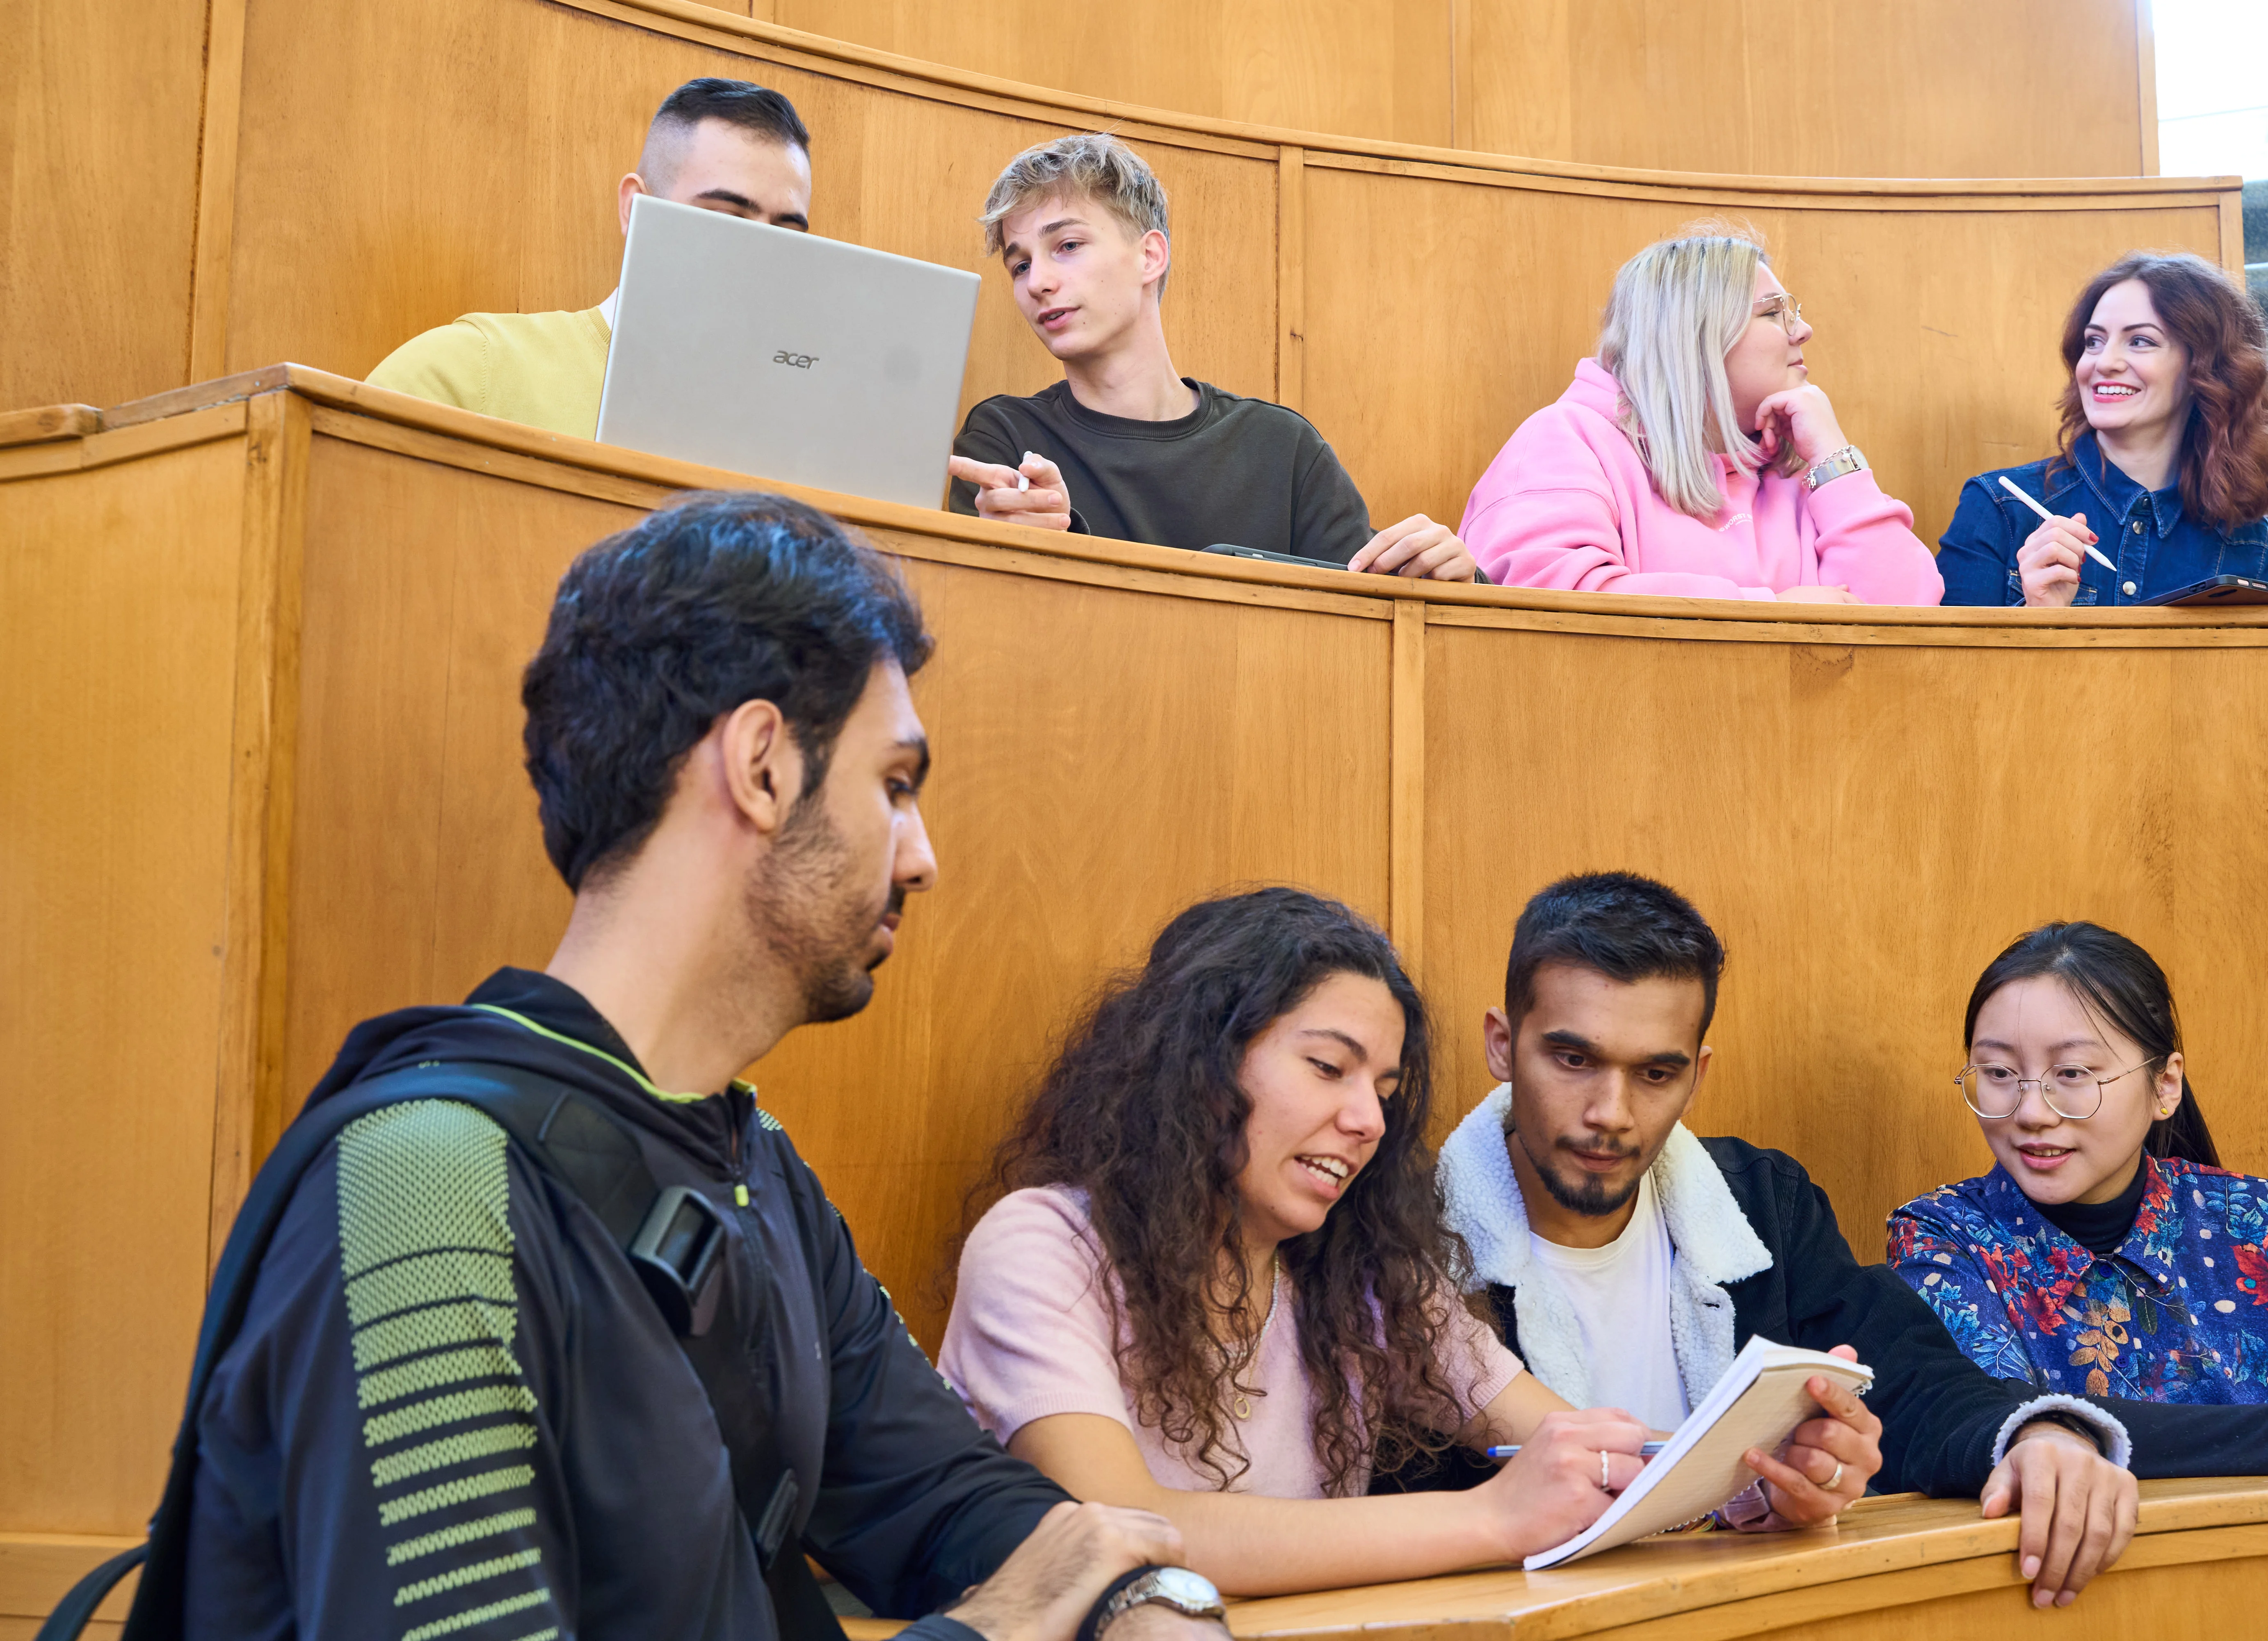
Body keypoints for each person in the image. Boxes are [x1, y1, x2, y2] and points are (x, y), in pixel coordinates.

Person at [171, 491, 1229, 1641]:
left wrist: (1145, 1596)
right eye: (895, 785)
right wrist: (993, 1633)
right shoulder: (424, 1191)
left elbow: (948, 1502)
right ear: (764, 766)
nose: (921, 859)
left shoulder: (748, 1159)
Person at [937, 888, 1683, 1595]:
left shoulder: (1366, 1278)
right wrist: (1494, 1516)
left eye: (1385, 1093)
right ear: (1199, 1061)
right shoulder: (1044, 1245)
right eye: (1329, 1069)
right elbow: (1119, 1528)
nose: (1369, 1121)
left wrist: (1740, 1476)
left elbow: (1572, 1442)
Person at [1437, 873, 2130, 1610]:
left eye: (1655, 1073)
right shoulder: (1406, 1252)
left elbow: (1918, 1382)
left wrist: (2043, 1435)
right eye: (1574, 1060)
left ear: (1697, 1077)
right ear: (1503, 1047)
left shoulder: (1763, 1204)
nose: (1611, 1112)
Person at [1890, 922, 2268, 1451]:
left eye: (2072, 1074)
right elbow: (2008, 1429)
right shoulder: (1944, 1240)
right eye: (1998, 1074)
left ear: (2165, 1085)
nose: (2032, 1111)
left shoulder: (2243, 1217)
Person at [945, 135, 1477, 582]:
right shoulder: (1005, 441)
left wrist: (1454, 577)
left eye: (1068, 246)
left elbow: (1369, 612)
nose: (1039, 282)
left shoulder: (1281, 449)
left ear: (1150, 256)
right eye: (1020, 266)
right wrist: (1032, 548)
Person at [1459, 225, 1944, 606]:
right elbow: (1545, 605)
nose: (1805, 331)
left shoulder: (1800, 472)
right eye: (1775, 313)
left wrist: (1836, 460)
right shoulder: (1565, 440)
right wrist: (1771, 613)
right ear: (1694, 335)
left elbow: (1907, 621)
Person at [366, 79, 814, 439]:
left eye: (786, 232)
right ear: (635, 208)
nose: (761, 257)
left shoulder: (807, 430)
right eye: (726, 217)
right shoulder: (468, 371)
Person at [1936, 252, 2268, 607]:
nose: (2104, 362)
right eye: (2094, 341)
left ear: (2206, 369)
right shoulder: (1996, 507)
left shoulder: (2248, 541)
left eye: (2140, 341)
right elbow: (1948, 664)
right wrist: (2036, 618)